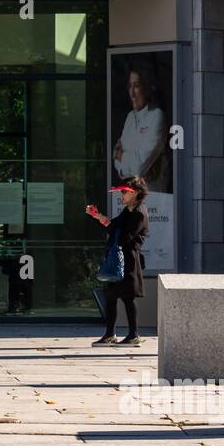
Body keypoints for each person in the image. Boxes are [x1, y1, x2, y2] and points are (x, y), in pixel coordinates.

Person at [85, 176, 150, 346]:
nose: (121, 195)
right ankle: (109, 334)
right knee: (111, 296)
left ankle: (134, 334)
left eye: (124, 192)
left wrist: (107, 222)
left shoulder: (138, 213)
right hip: (118, 259)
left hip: (128, 260)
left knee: (128, 298)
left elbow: (124, 236)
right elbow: (113, 226)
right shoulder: (128, 210)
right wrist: (98, 217)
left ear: (135, 193)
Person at [113, 63, 168, 191]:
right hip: (130, 196)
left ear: (147, 88)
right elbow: (116, 160)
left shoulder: (156, 116)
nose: (132, 93)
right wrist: (127, 161)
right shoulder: (130, 117)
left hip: (152, 199)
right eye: (129, 86)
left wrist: (123, 157)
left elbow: (139, 166)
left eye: (136, 86)